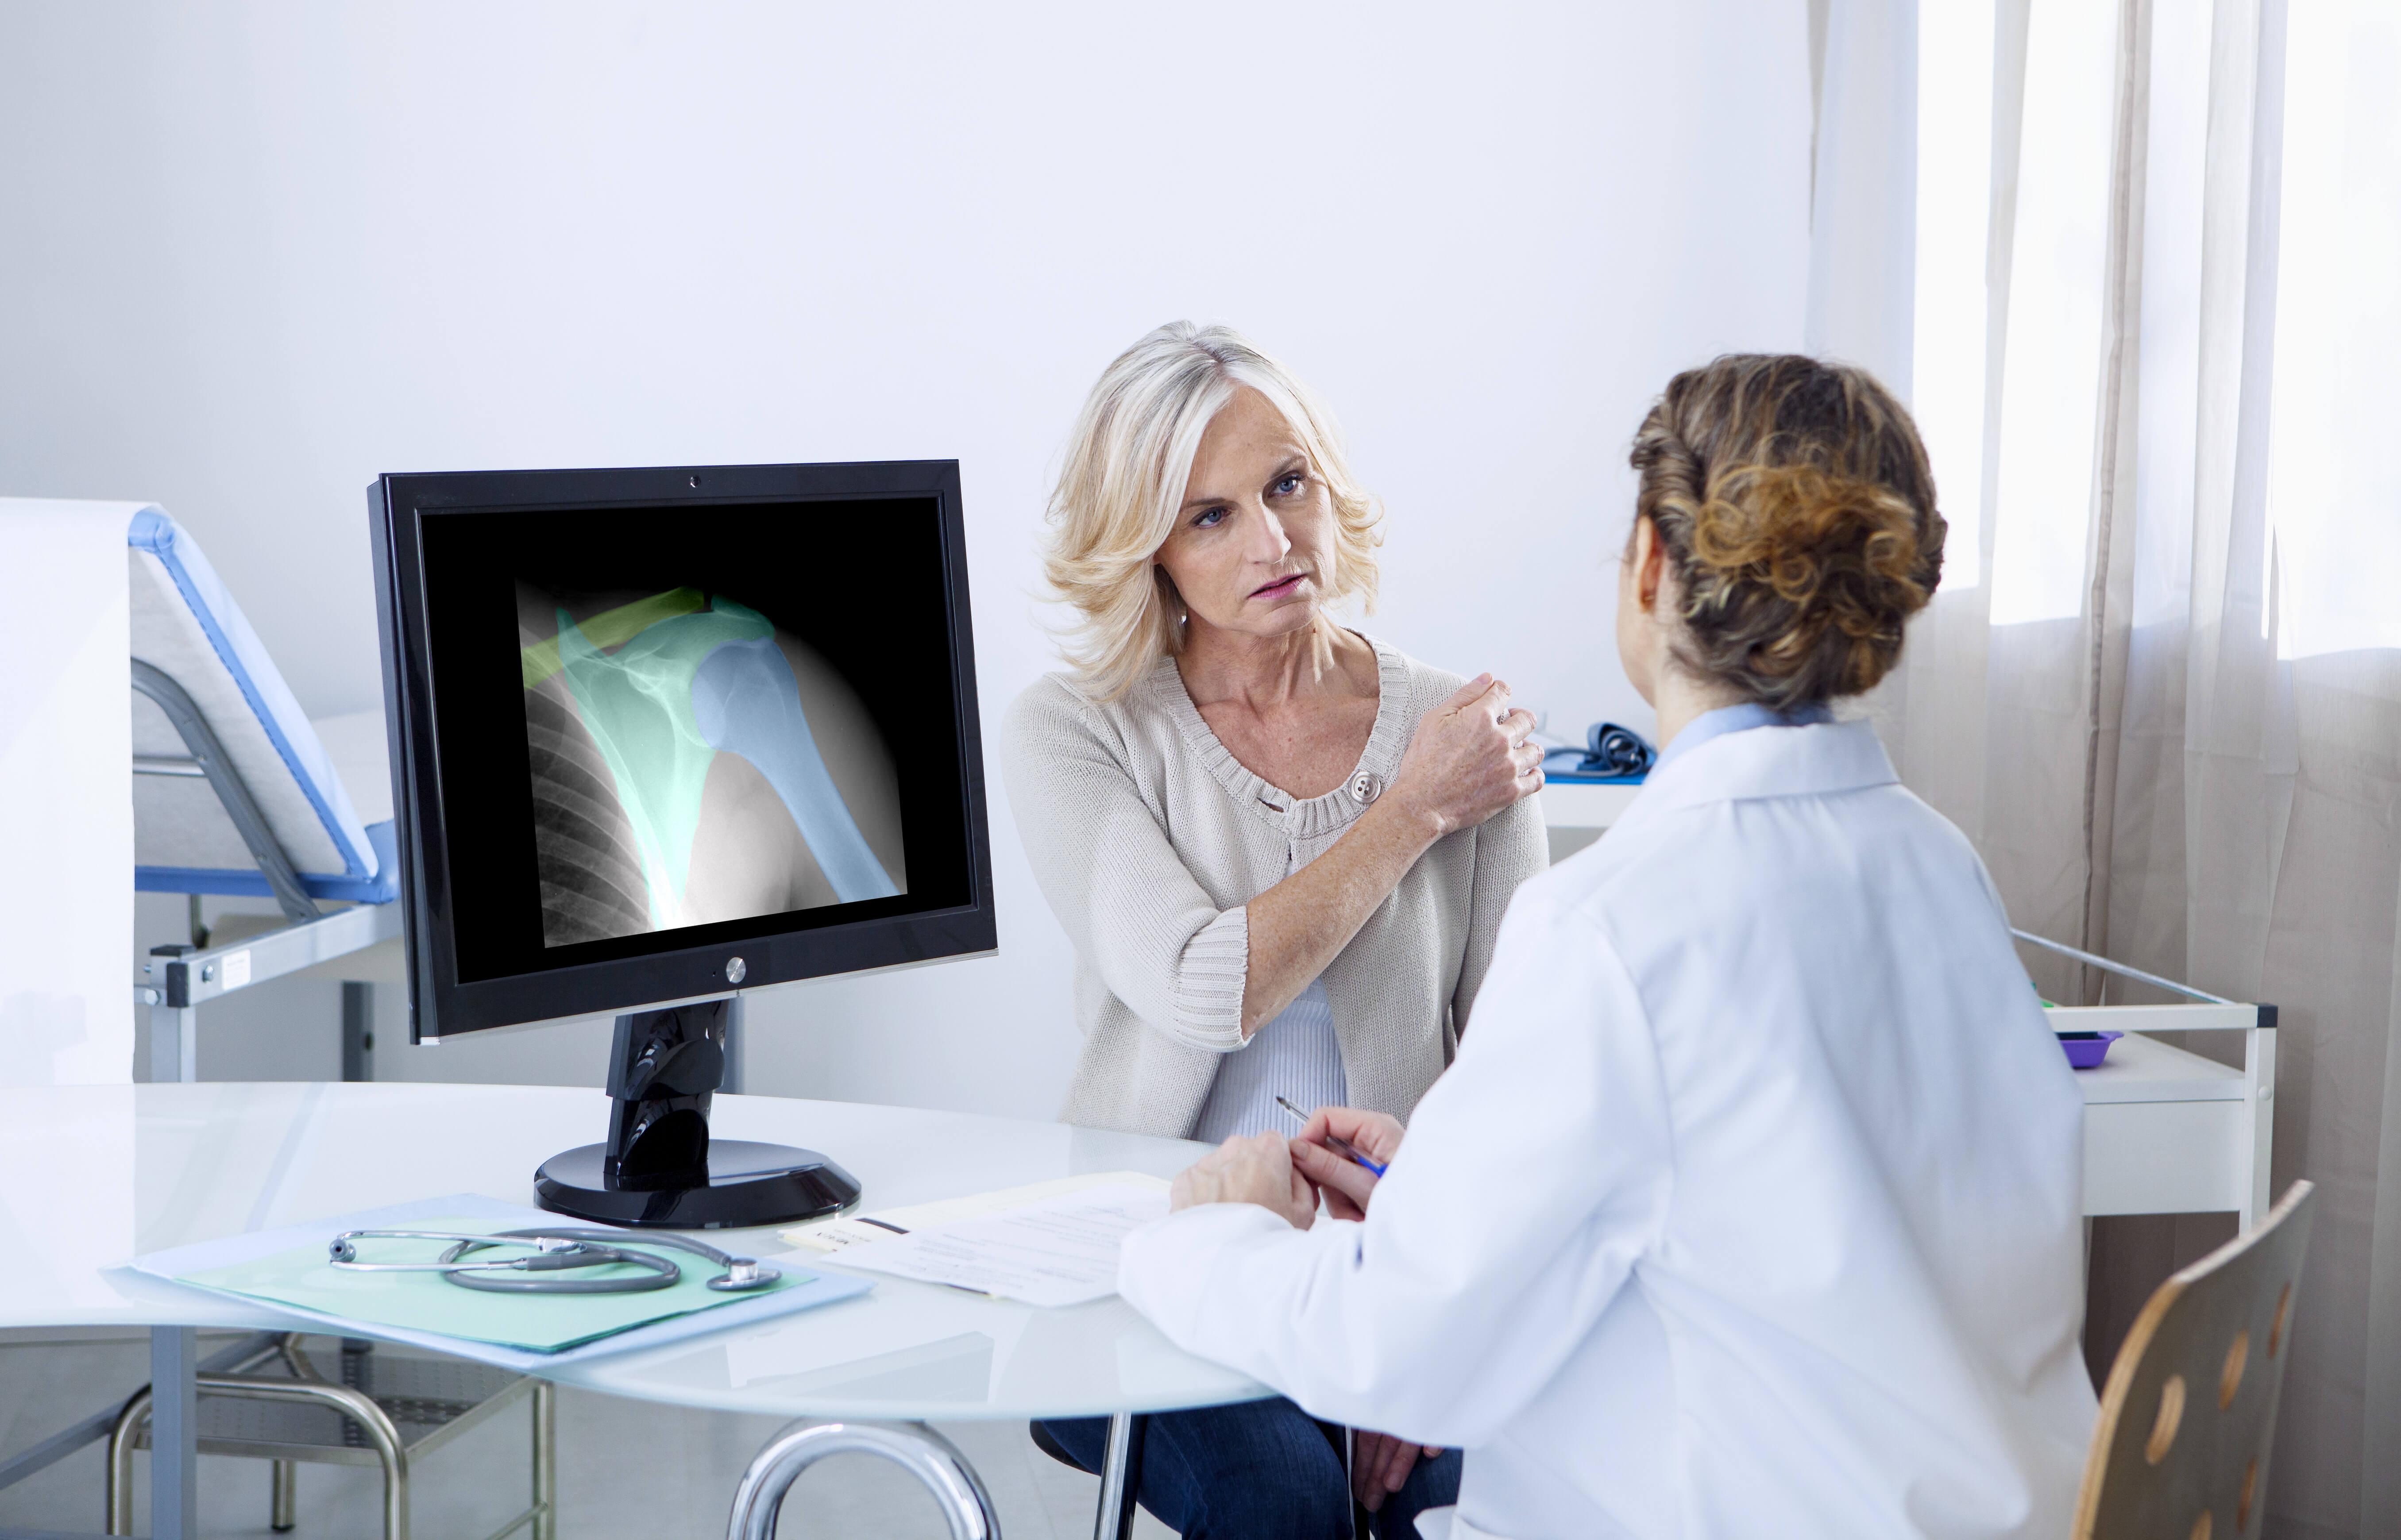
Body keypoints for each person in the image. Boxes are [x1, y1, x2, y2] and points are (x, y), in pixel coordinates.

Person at [1117, 354, 2100, 1539]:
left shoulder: (1612, 926)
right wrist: (1444, 1180)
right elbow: (1760, 1206)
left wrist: (1209, 1234)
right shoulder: (1940, 866)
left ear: (1651, 564)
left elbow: (1397, 1348)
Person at [1001, 321, 1550, 1536]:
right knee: (1284, 1497)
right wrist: (1412, 808)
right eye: (1209, 515)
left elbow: (1521, 1076)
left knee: (1447, 1496)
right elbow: (1206, 989)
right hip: (1149, 1253)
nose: (1272, 538)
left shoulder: (1461, 730)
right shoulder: (1076, 733)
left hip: (1395, 1252)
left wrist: (1424, 1322)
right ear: (1144, 547)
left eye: (1287, 484)